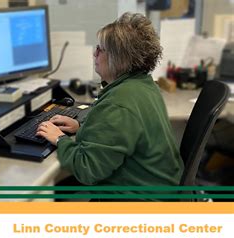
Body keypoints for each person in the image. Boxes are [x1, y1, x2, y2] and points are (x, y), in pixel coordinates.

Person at [36, 13, 183, 197]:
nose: (94, 53)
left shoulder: (118, 103)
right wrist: (82, 128)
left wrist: (59, 139)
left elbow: (87, 170)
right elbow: (121, 134)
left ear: (119, 58)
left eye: (100, 49)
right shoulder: (144, 85)